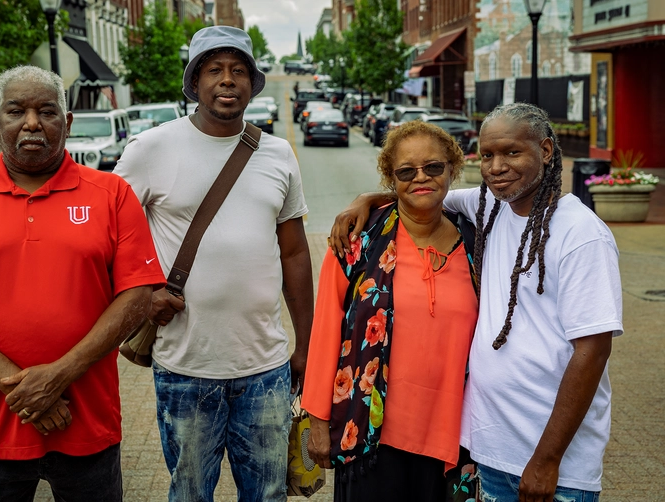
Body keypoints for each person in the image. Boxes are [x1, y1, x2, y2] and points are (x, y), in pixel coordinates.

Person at [328, 103, 623, 501]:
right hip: (490, 452)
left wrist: (547, 460)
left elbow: (593, 351)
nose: (497, 166)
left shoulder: (580, 233)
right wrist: (367, 199)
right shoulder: (490, 207)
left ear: (547, 151)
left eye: (512, 153)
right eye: (487, 155)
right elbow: (425, 190)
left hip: (552, 465)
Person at [0, 65, 166, 501]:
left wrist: (60, 374)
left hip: (87, 425)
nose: (31, 122)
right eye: (16, 111)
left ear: (65, 123)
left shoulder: (112, 194)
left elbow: (138, 295)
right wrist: (27, 388)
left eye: (46, 111)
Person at [113, 26, 314, 501]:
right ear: (195, 82)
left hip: (265, 367)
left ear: (251, 82)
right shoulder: (151, 149)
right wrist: (145, 293)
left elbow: (296, 252)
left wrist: (307, 342)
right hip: (185, 366)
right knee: (189, 494)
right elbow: (109, 234)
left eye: (238, 70)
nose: (228, 80)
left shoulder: (278, 152)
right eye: (215, 70)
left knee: (267, 494)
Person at [301, 121, 478, 501]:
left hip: (454, 439)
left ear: (452, 168)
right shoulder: (357, 242)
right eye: (405, 171)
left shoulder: (478, 244)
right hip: (370, 436)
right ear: (390, 178)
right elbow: (326, 330)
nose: (421, 178)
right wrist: (317, 420)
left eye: (433, 167)